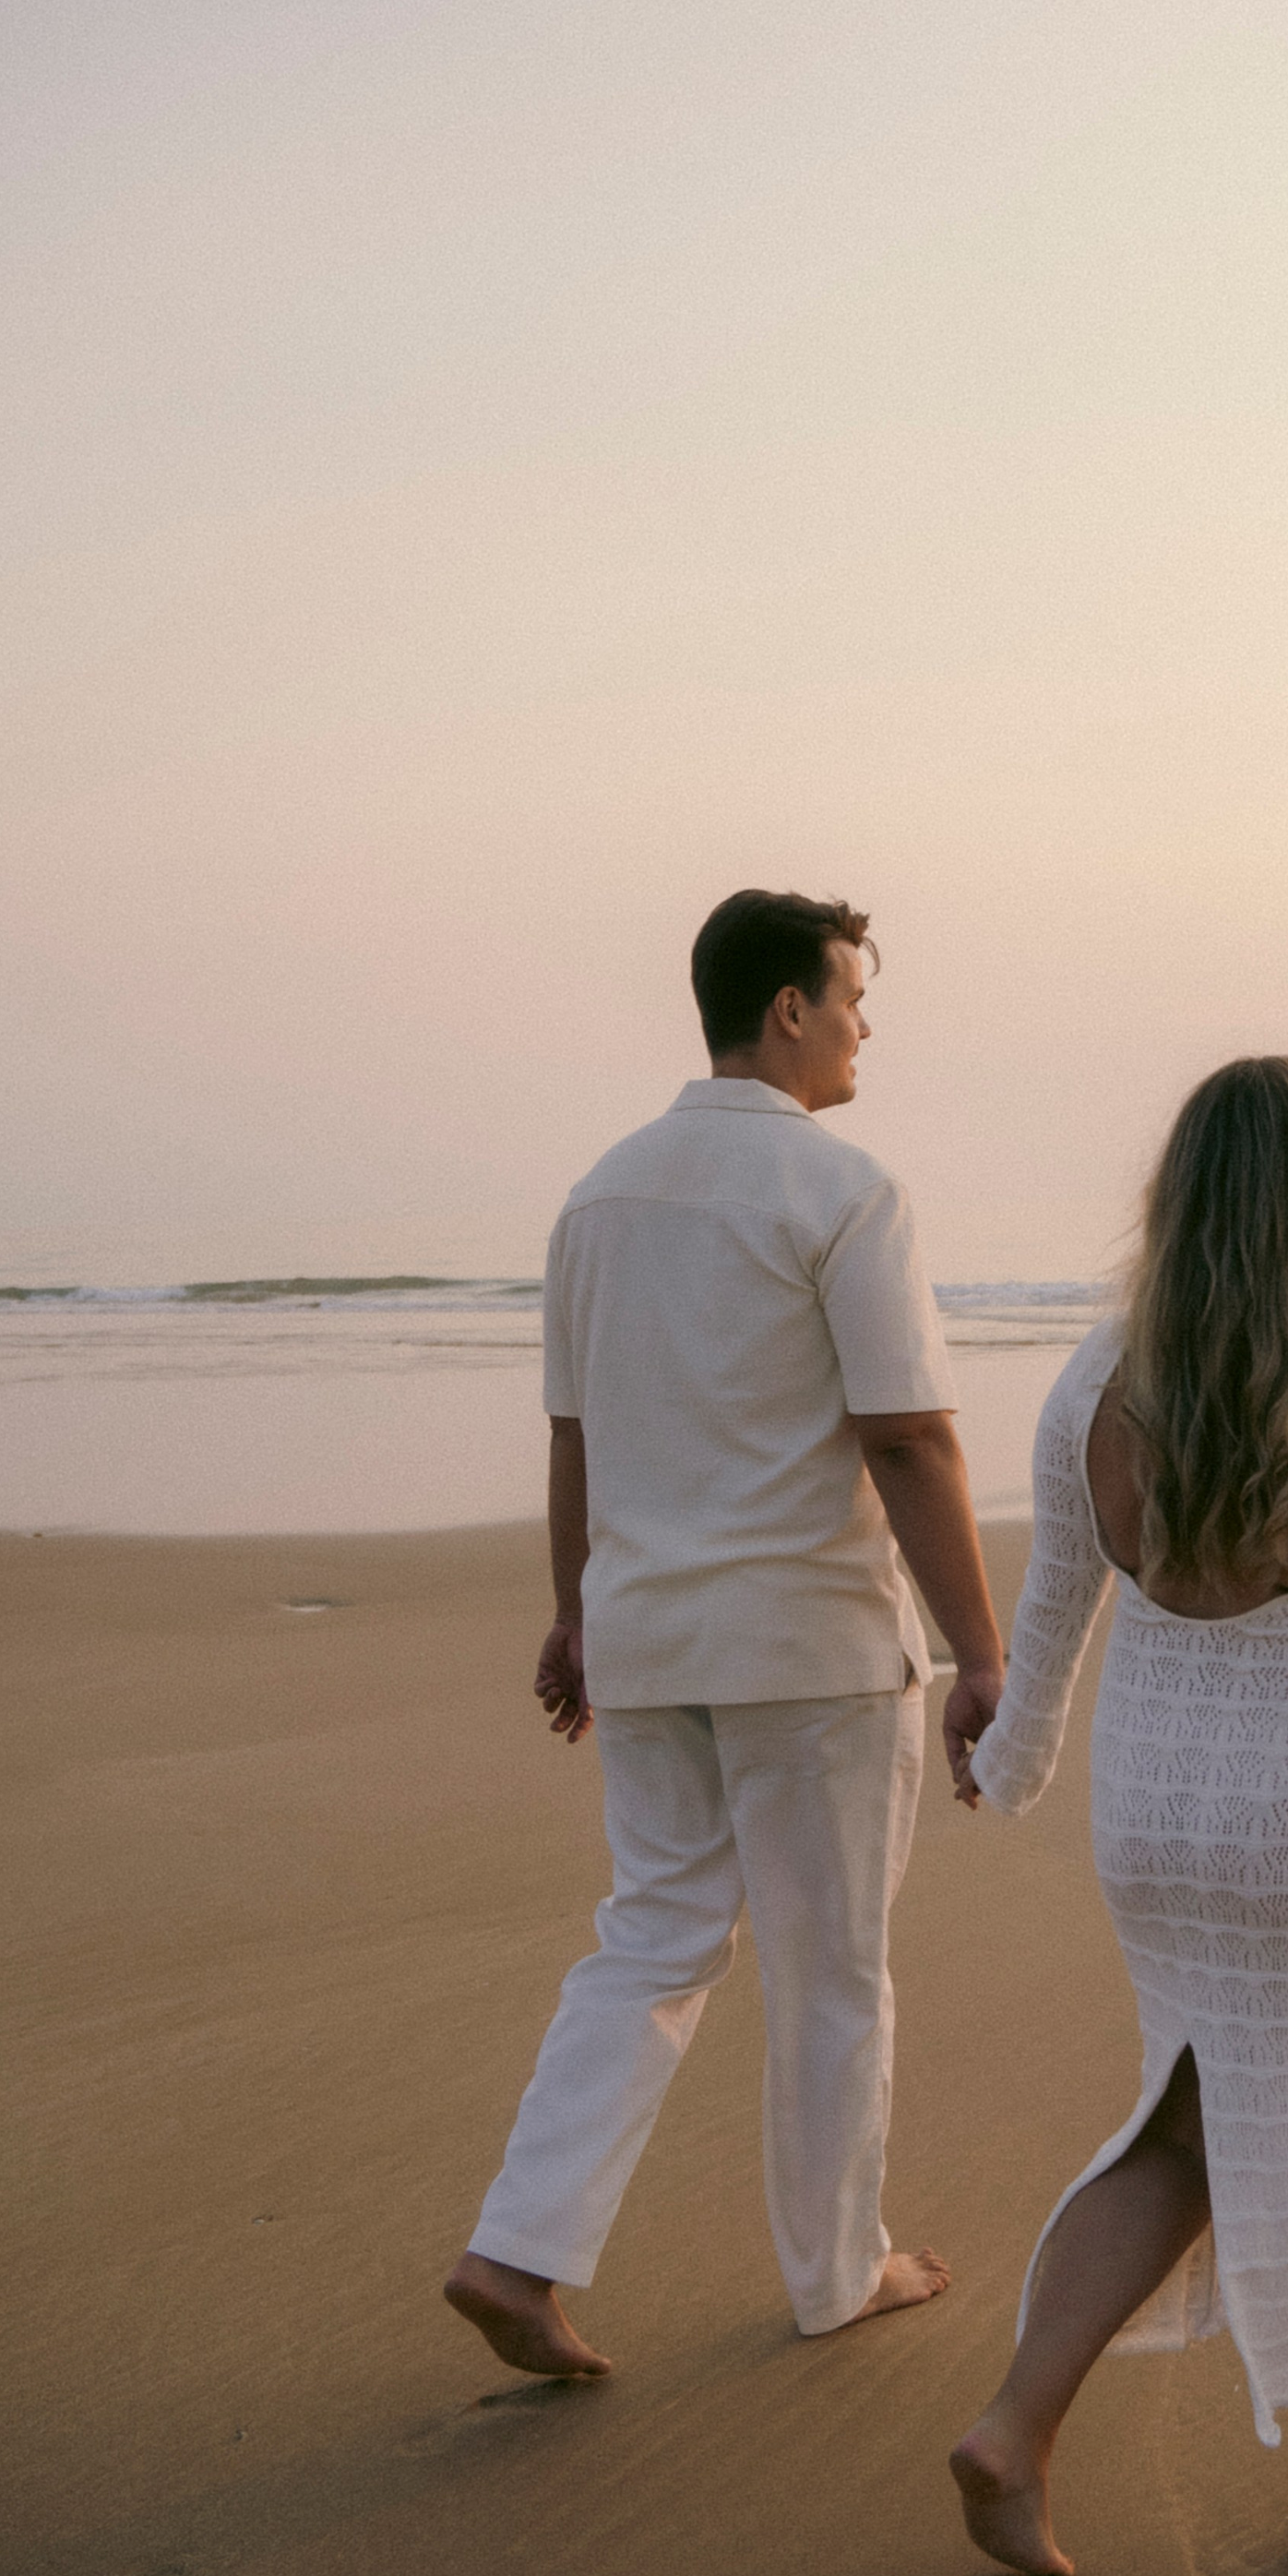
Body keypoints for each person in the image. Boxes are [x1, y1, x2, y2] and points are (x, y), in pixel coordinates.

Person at [948, 1057, 1288, 2575]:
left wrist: (1004, 1764)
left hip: (1155, 1823)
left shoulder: (1094, 1384)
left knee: (1183, 2124)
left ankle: (1015, 2425)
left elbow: (1052, 1616)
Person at [444, 888, 1002, 2378]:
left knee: (652, 1940)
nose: (866, 1021)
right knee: (832, 1967)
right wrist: (983, 1650)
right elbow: (908, 1438)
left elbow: (578, 1439)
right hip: (809, 1645)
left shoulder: (601, 1194)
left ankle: (519, 2249)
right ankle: (836, 2273)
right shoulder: (843, 1190)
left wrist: (575, 1609)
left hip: (645, 1634)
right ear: (789, 1011)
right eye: (852, 994)